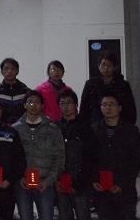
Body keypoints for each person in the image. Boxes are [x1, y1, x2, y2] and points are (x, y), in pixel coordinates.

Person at [13, 91, 65, 220]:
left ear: (42, 105)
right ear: (24, 105)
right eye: (30, 102)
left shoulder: (53, 129)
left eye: (37, 102)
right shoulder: (15, 129)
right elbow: (10, 159)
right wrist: (19, 178)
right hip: (22, 184)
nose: (33, 105)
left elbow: (59, 159)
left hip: (45, 184)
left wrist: (49, 181)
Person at [91, 90, 140, 220]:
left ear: (119, 108)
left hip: (125, 190)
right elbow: (89, 158)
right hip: (102, 190)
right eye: (104, 104)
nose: (108, 108)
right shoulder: (94, 129)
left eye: (112, 104)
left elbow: (136, 160)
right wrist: (94, 180)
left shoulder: (131, 130)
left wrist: (122, 183)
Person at [55, 89, 95, 220]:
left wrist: (80, 181)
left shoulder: (86, 127)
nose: (65, 106)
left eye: (69, 103)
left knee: (83, 215)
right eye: (62, 103)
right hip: (60, 182)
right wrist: (55, 179)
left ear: (76, 105)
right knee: (64, 216)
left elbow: (90, 157)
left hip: (80, 183)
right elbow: (52, 156)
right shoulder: (55, 127)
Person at [80, 51, 137, 125]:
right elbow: (83, 109)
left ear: (114, 67)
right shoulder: (90, 85)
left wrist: (128, 126)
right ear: (99, 66)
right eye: (103, 64)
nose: (106, 68)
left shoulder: (123, 85)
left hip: (119, 126)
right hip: (95, 126)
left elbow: (130, 109)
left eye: (109, 65)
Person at [0, 58, 30, 124]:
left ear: (17, 71)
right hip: (2, 127)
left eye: (13, 69)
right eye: (6, 68)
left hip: (21, 127)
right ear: (1, 72)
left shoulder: (26, 91)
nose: (9, 71)